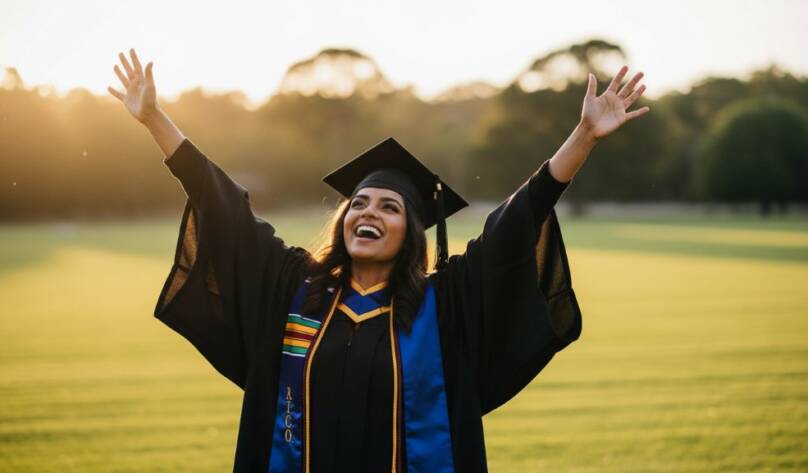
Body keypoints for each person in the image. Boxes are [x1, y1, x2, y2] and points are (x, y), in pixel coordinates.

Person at [109, 48, 649, 473]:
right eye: (358, 204)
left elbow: (514, 226)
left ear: (411, 231)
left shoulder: (445, 305)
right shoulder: (294, 288)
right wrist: (157, 121)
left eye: (389, 206)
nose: (368, 213)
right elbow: (223, 207)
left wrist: (581, 138)